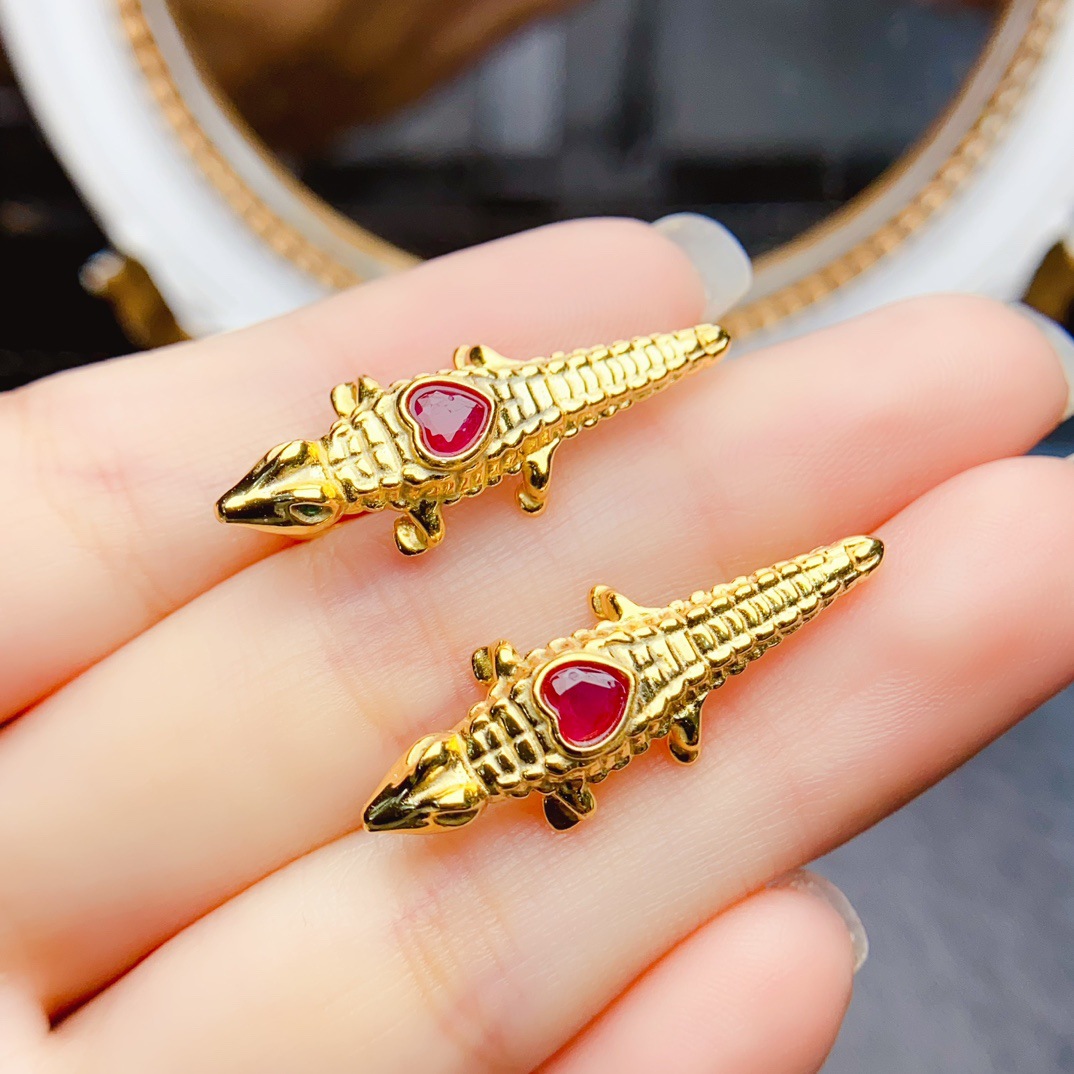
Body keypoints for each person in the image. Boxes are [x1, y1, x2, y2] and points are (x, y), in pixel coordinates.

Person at [0, 216, 1071, 1073]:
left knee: (773, 565)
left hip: (594, 598)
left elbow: (567, 763)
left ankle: (811, 518)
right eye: (433, 784)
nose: (416, 784)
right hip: (595, 636)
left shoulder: (516, 712)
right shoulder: (510, 710)